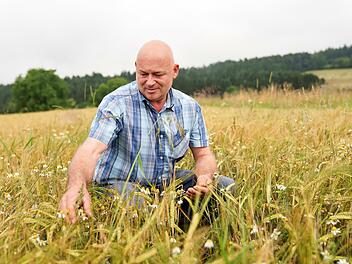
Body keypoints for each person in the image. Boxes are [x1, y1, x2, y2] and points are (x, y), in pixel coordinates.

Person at [59, 40, 234, 224]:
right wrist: (76, 186)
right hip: (119, 183)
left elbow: (203, 155)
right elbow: (91, 149)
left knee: (225, 187)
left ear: (175, 71)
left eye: (158, 74)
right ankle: (168, 229)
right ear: (136, 68)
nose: (149, 82)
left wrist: (204, 177)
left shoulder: (190, 107)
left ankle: (193, 238)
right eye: (143, 74)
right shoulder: (117, 102)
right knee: (140, 206)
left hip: (165, 183)